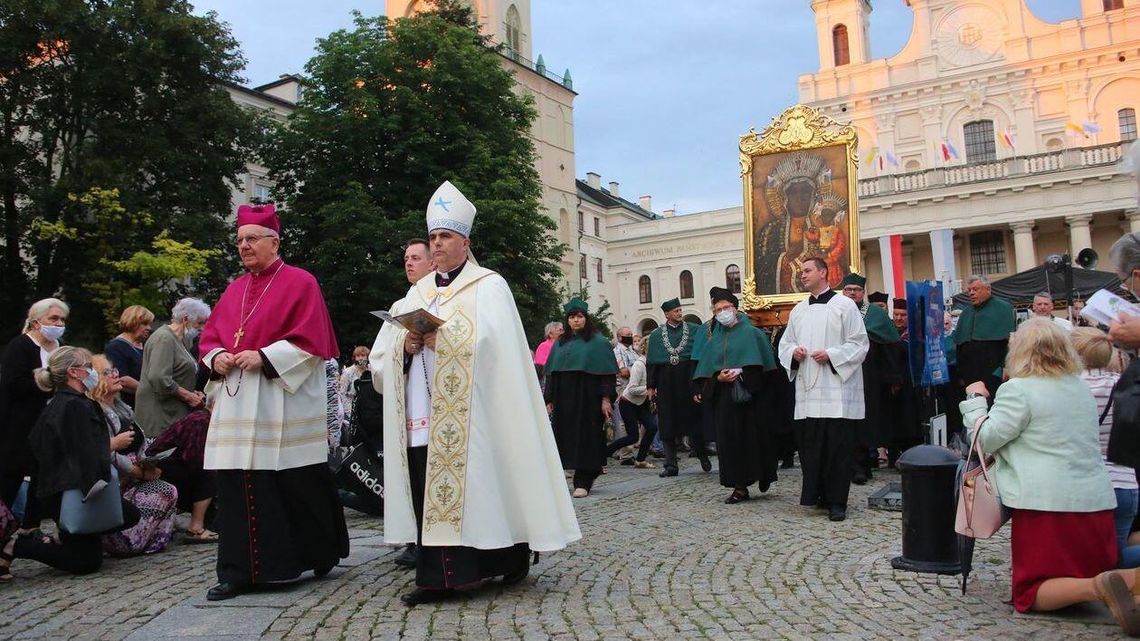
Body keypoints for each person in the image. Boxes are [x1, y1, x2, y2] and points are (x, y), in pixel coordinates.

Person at [374, 181, 580, 606]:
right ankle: (438, 577)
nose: (438, 245)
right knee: (425, 487)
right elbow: (383, 351)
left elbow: (497, 349)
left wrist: (442, 342)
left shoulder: (489, 286)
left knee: (483, 491)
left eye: (445, 236)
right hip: (422, 409)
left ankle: (503, 558)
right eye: (432, 238)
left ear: (465, 242)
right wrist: (407, 345)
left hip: (476, 417)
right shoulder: (417, 292)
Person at [198, 203, 348, 601]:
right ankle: (236, 571)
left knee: (290, 482)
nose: (244, 247)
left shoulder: (300, 282)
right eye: (240, 240)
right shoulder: (233, 289)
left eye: (252, 239)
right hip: (236, 401)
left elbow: (312, 342)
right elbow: (211, 337)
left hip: (280, 397)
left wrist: (264, 357)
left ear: (274, 242)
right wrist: (218, 357)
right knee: (235, 486)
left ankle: (311, 555)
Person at [959, 319, 1138, 634]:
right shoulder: (1078, 387)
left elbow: (985, 439)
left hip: (1046, 507)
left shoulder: (1019, 389)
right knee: (1078, 573)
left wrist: (975, 402)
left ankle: (1111, 583)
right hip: (1095, 502)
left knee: (1030, 592)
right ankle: (1109, 582)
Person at [1, 347, 139, 578]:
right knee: (85, 561)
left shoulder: (69, 402)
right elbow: (80, 451)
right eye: (88, 366)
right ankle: (16, 546)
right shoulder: (73, 405)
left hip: (71, 487)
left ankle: (62, 537)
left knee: (122, 519)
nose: (92, 371)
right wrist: (111, 447)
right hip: (72, 490)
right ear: (74, 373)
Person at [777, 257, 868, 522]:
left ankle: (837, 501)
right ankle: (817, 495)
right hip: (808, 392)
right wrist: (794, 352)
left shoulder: (844, 306)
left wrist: (831, 354)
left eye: (807, 271)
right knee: (812, 447)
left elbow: (859, 344)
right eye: (801, 271)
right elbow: (785, 344)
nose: (802, 275)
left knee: (837, 449)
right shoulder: (798, 310)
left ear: (823, 272)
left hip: (836, 391)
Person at [368, 237, 436, 569]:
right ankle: (417, 539)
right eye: (406, 258)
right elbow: (378, 362)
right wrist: (404, 349)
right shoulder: (398, 309)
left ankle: (438, 543)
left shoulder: (446, 300)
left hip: (440, 405)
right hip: (409, 406)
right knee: (413, 475)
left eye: (416, 258)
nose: (409, 263)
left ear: (432, 262)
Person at [692, 287, 778, 504]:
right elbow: (705, 374)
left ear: (735, 309)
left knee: (756, 440)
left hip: (752, 400)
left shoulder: (754, 334)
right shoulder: (713, 341)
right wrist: (718, 378)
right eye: (718, 309)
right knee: (730, 444)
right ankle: (739, 487)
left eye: (726, 308)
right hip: (725, 401)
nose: (722, 312)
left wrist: (742, 371)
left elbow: (768, 371)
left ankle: (764, 475)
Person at [89, 355, 178, 556]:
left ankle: (150, 541)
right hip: (116, 482)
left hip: (135, 475)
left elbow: (139, 443)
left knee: (169, 486)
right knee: (162, 491)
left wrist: (149, 462)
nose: (115, 375)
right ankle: (125, 542)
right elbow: (104, 451)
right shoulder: (97, 411)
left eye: (114, 370)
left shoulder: (124, 409)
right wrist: (137, 471)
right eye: (107, 372)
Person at [1071, 327, 1140, 568]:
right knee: (1116, 556)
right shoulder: (1127, 384)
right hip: (1126, 483)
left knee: (1097, 560)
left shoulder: (1073, 388)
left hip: (1088, 484)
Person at [0, 297, 69, 535]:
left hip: (51, 424)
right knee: (11, 478)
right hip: (20, 425)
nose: (59, 323)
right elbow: (13, 383)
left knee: (42, 481)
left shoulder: (59, 346)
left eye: (62, 319)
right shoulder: (20, 346)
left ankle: (31, 529)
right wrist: (47, 381)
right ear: (37, 321)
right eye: (54, 318)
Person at [545, 297, 619, 497]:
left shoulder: (599, 342)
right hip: (564, 399)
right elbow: (552, 373)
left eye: (579, 316)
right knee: (566, 436)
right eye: (571, 317)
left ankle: (583, 480)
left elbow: (607, 374)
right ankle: (576, 474)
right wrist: (549, 399)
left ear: (586, 318)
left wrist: (606, 399)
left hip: (588, 398)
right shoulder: (560, 343)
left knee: (587, 436)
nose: (575, 320)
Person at [839, 273, 900, 484]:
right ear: (843, 292)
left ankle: (863, 466)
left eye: (856, 290)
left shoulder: (875, 314)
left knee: (866, 422)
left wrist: (892, 378)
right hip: (841, 376)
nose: (852, 293)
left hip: (869, 377)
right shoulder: (835, 310)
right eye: (848, 290)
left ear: (863, 293)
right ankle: (847, 466)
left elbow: (890, 347)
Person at [645, 298, 709, 477]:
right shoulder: (657, 335)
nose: (679, 313)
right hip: (666, 383)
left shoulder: (694, 330)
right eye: (675, 311)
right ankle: (671, 465)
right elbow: (652, 364)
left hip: (688, 379)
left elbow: (698, 358)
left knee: (695, 420)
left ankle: (702, 454)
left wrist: (699, 384)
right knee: (667, 423)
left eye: (680, 310)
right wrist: (651, 387)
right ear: (667, 314)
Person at [136, 298, 210, 437]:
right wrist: (188, 396)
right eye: (199, 323)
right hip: (160, 415)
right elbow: (158, 377)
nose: (202, 328)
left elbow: (179, 374)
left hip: (173, 413)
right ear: (185, 318)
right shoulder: (164, 338)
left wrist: (193, 393)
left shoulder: (182, 340)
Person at [146, 401, 216, 545]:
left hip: (171, 465)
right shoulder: (201, 420)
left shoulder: (205, 418)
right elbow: (194, 459)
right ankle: (196, 528)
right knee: (209, 471)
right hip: (159, 467)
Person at [955, 275, 1016, 398]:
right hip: (969, 372)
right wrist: (960, 374)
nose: (971, 293)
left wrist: (1006, 366)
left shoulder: (1003, 308)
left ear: (988, 289)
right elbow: (960, 345)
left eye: (976, 289)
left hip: (993, 369)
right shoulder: (966, 313)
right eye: (969, 290)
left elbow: (1010, 342)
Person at [604, 338, 657, 469]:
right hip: (628, 403)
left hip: (641, 403)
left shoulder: (652, 364)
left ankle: (640, 460)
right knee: (633, 437)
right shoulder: (640, 365)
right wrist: (651, 390)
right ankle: (603, 454)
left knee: (652, 427)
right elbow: (632, 389)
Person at [104, 305, 155, 408]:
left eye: (150, 324)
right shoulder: (115, 347)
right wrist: (152, 392)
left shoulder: (146, 345)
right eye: (145, 324)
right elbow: (122, 379)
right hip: (130, 406)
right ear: (133, 322)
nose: (149, 328)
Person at [612, 326, 638, 448]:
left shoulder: (632, 351)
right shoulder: (618, 351)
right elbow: (623, 372)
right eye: (628, 334)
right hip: (623, 387)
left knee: (632, 419)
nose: (630, 336)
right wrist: (638, 372)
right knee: (622, 420)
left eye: (631, 334)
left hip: (632, 387)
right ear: (620, 337)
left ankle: (630, 449)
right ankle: (624, 452)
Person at [338, 345, 370, 420]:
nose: (360, 358)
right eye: (358, 356)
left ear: (367, 357)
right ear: (355, 358)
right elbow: (342, 393)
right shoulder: (348, 372)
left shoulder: (371, 371)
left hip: (367, 409)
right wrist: (349, 412)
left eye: (363, 355)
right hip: (351, 408)